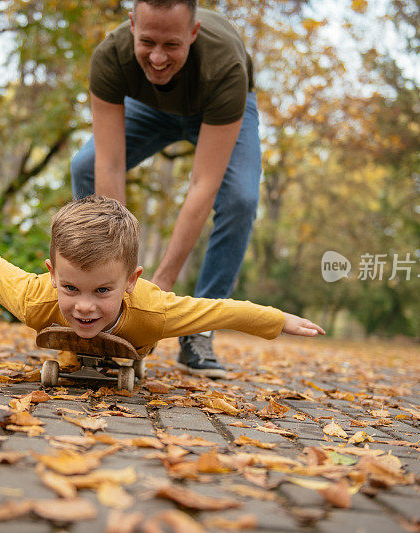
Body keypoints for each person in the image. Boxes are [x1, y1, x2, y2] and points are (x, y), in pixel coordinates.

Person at [70, 0, 261, 377]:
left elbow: (203, 183)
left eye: (171, 45)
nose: (157, 57)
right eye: (147, 42)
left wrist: (158, 286)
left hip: (218, 107)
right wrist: (120, 281)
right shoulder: (111, 56)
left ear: (193, 33)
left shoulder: (225, 67)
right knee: (86, 166)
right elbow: (109, 165)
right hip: (151, 108)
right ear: (131, 26)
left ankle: (198, 333)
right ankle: (95, 298)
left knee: (240, 198)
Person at [0, 196, 324, 362]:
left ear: (130, 281)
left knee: (129, 352)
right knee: (70, 347)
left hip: (133, 343)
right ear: (52, 275)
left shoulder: (153, 310)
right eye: (71, 288)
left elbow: (218, 311)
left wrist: (277, 320)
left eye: (102, 290)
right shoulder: (35, 299)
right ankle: (73, 357)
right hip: (70, 342)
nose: (84, 305)